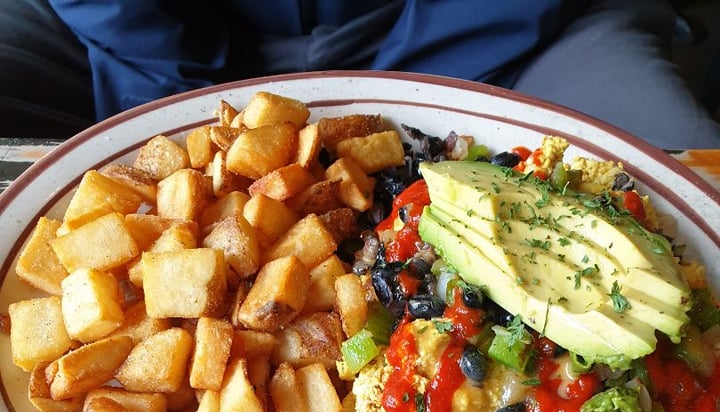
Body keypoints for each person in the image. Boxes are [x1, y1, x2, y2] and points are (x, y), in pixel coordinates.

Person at [2, 0, 719, 149]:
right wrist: (185, 99)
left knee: (676, 157)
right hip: (165, 35)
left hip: (485, 30)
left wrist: (412, 101)